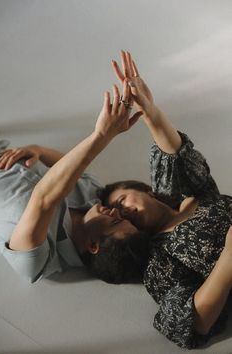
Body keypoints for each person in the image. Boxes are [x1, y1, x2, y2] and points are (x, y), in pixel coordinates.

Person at [98, 51, 232, 349]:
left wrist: (148, 109)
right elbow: (189, 322)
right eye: (119, 216)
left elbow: (175, 155)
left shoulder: (197, 195)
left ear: (142, 189)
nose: (124, 212)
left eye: (121, 201)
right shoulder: (159, 261)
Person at [0, 79, 147, 284]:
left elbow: (43, 197)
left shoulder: (38, 260)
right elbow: (64, 162)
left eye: (115, 221)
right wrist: (38, 150)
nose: (116, 211)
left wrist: (103, 135)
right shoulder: (94, 195)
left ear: (93, 246)